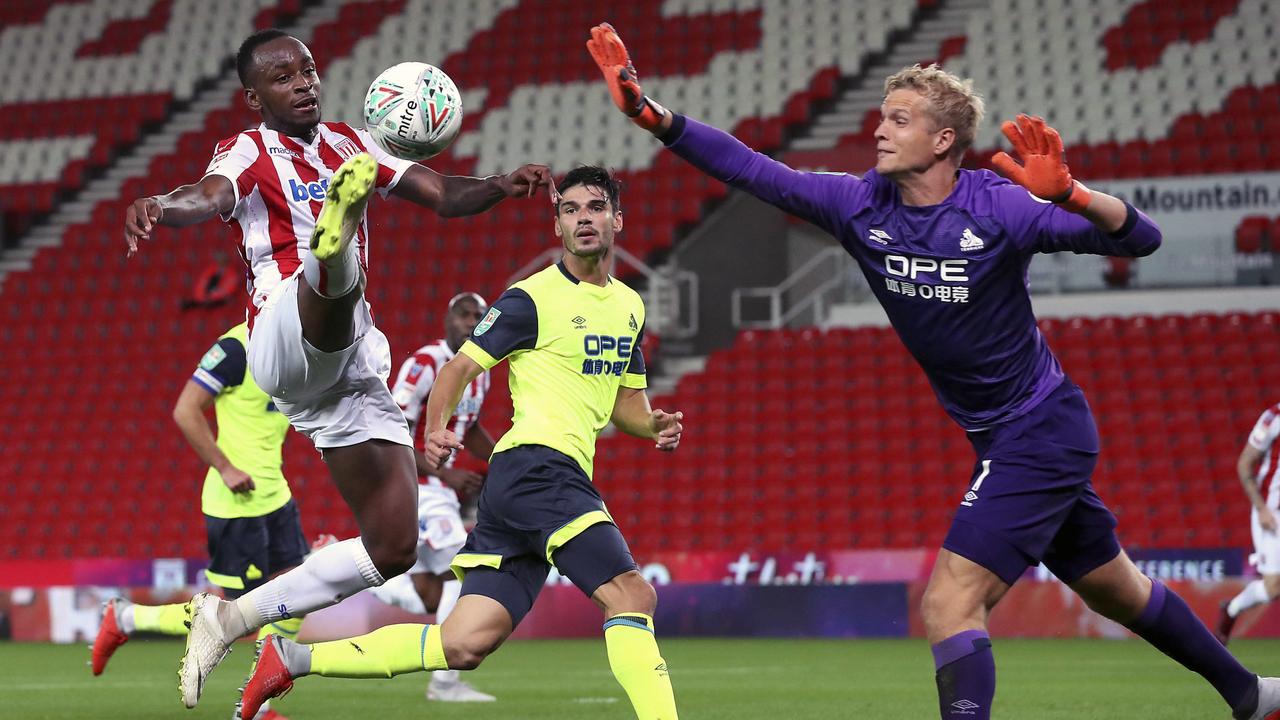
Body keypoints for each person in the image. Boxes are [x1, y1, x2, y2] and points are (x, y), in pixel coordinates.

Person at [586, 22, 1280, 720]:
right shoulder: (859, 204)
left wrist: (1071, 194)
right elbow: (752, 169)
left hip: (1039, 430)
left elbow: (1141, 237)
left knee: (949, 603)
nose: (880, 130)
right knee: (1115, 588)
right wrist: (650, 115)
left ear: (943, 139)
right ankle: (1250, 695)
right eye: (882, 116)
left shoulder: (999, 204)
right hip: (1001, 436)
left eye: (899, 119)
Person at [121, 28, 550, 709]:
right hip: (282, 334)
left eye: (310, 69)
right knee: (333, 276)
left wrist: (500, 183)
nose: (305, 82)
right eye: (285, 76)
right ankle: (336, 229)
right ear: (254, 96)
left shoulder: (355, 140)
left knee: (393, 546)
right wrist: (159, 204)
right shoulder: (245, 149)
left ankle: (230, 621)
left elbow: (443, 195)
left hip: (348, 374)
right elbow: (204, 196)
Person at [236, 166, 684, 720]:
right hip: (538, 467)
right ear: (557, 225)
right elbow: (455, 371)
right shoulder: (530, 299)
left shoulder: (629, 307)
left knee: (463, 642)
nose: (583, 219)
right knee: (632, 596)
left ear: (617, 219)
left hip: (529, 485)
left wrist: (653, 424)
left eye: (594, 208)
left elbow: (626, 405)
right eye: (570, 210)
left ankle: (290, 659)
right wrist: (435, 431)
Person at [91, 322, 304, 720]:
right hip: (236, 504)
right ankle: (126, 617)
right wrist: (224, 467)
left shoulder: (297, 341)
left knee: (299, 598)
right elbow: (185, 409)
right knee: (234, 616)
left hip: (277, 494)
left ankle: (255, 706)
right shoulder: (237, 348)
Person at [368, 291, 498, 702]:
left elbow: (469, 427)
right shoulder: (425, 362)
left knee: (432, 595)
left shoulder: (483, 370)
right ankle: (445, 684)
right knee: (465, 571)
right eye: (463, 314)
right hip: (418, 487)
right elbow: (394, 431)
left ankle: (348, 567)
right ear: (447, 319)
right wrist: (448, 472)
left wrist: (503, 460)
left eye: (477, 316)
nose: (470, 321)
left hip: (440, 490)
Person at [1217, 402, 1280, 644]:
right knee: (1274, 587)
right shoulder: (1273, 418)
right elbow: (1245, 463)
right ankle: (1231, 609)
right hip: (1272, 512)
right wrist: (1262, 509)